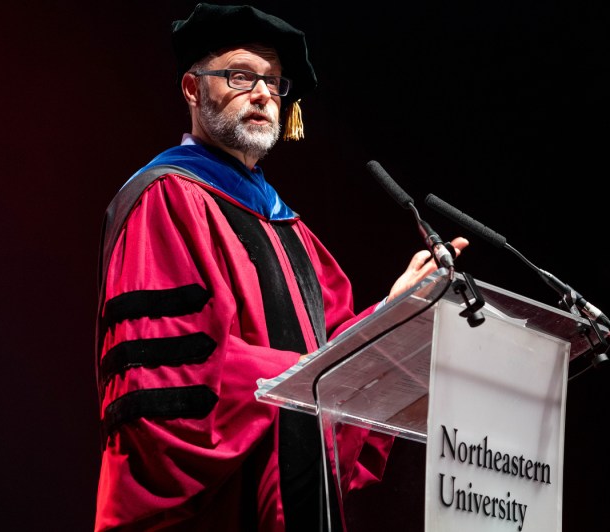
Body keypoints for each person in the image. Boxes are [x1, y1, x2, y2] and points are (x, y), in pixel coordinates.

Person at [93, 3, 468, 531]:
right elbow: (170, 382)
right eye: (241, 75)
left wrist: (393, 315)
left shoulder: (291, 230)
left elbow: (330, 361)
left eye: (273, 81)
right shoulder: (165, 199)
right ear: (192, 89)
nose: (264, 93)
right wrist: (304, 383)